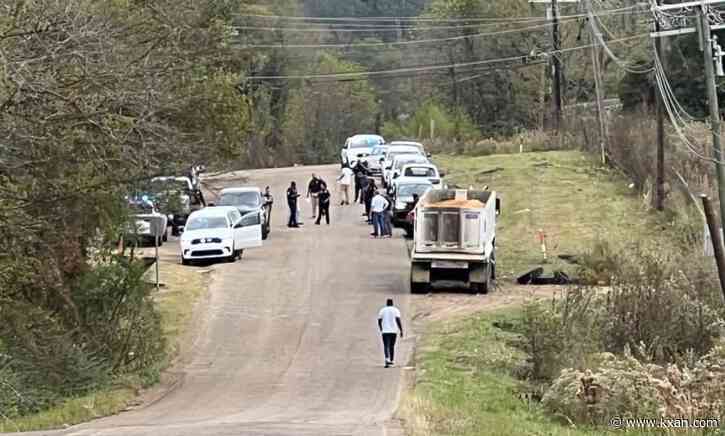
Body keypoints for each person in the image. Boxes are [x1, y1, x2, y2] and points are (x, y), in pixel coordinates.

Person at [378, 298, 403, 368]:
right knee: (392, 346)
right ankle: (391, 360)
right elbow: (398, 320)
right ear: (392, 303)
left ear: (386, 303)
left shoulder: (382, 310)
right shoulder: (396, 310)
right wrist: (401, 330)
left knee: (386, 346)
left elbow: (379, 320)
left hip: (385, 331)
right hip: (393, 331)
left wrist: (381, 328)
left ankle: (387, 359)